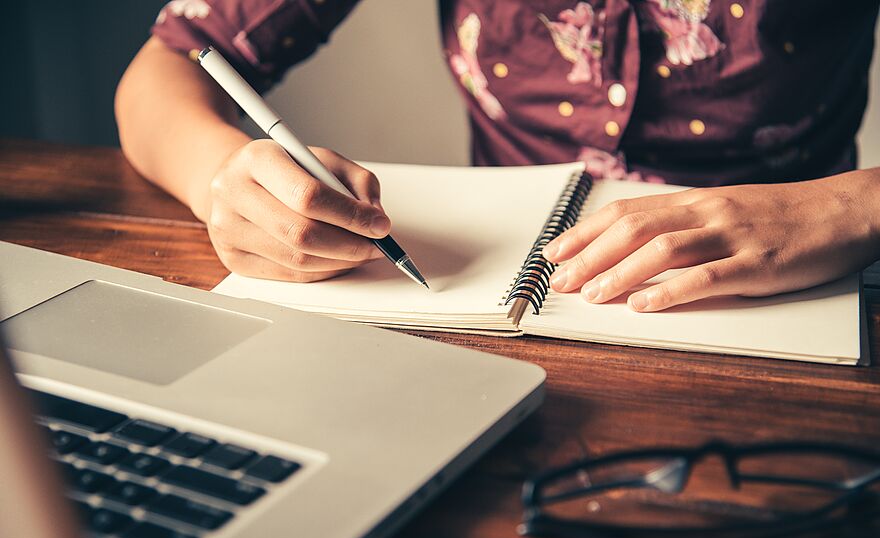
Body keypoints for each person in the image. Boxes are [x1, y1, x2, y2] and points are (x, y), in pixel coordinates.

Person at [116, 0, 880, 312]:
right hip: (504, 313)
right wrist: (221, 177)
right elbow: (169, 68)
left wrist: (853, 205)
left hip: (800, 304)